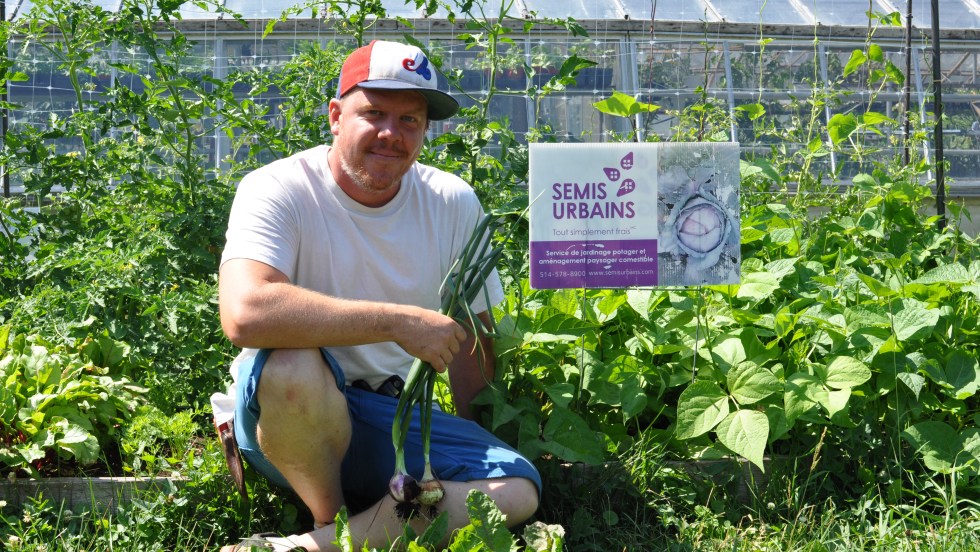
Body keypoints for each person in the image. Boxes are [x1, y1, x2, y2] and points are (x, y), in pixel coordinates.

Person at [211, 40, 541, 552]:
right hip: (290, 420)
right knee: (293, 365)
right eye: (375, 114)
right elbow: (244, 313)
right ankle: (331, 515)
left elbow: (475, 339)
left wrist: (474, 441)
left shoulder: (451, 201)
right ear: (336, 116)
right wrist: (394, 322)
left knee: (516, 490)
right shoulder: (277, 188)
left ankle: (320, 544)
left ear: (425, 131)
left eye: (410, 120)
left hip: (394, 417)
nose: (392, 134)